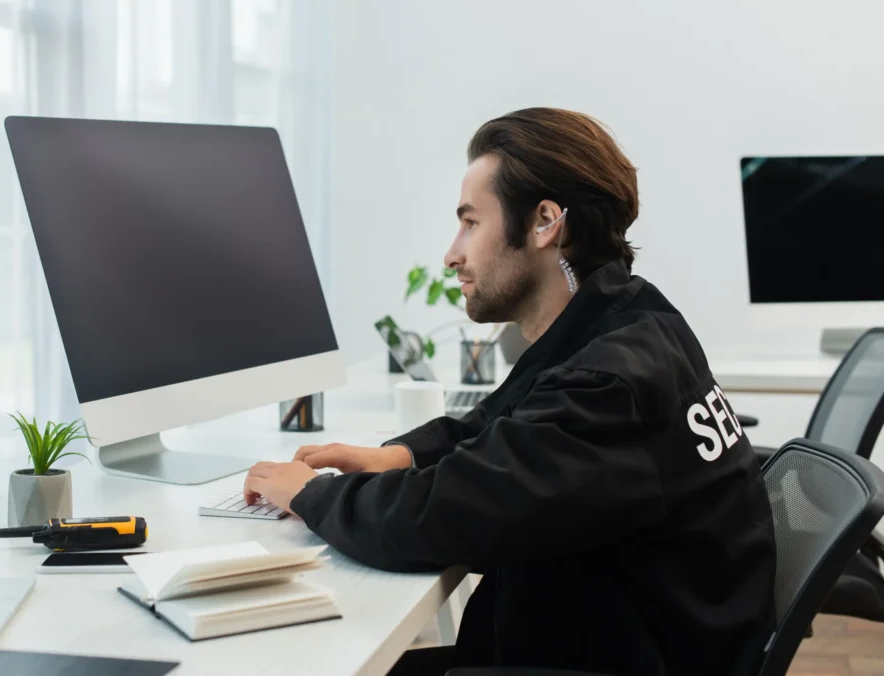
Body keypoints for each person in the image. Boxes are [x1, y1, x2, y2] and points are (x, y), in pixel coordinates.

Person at [242, 107, 776, 676]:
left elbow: (432, 519)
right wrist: (394, 456)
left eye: (472, 222)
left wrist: (307, 493)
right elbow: (504, 423)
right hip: (625, 637)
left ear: (545, 222)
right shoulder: (632, 318)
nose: (453, 253)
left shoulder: (608, 383)